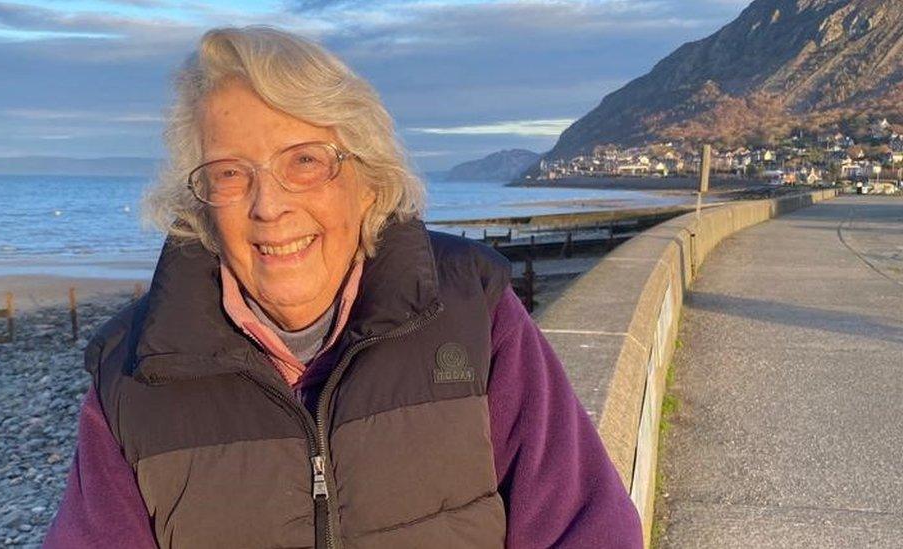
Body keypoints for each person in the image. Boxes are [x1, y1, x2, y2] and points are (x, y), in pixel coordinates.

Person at [43, 25, 642, 548]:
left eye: (305, 161)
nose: (268, 205)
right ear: (199, 205)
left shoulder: (472, 314)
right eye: (230, 173)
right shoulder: (134, 372)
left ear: (369, 179)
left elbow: (584, 527)